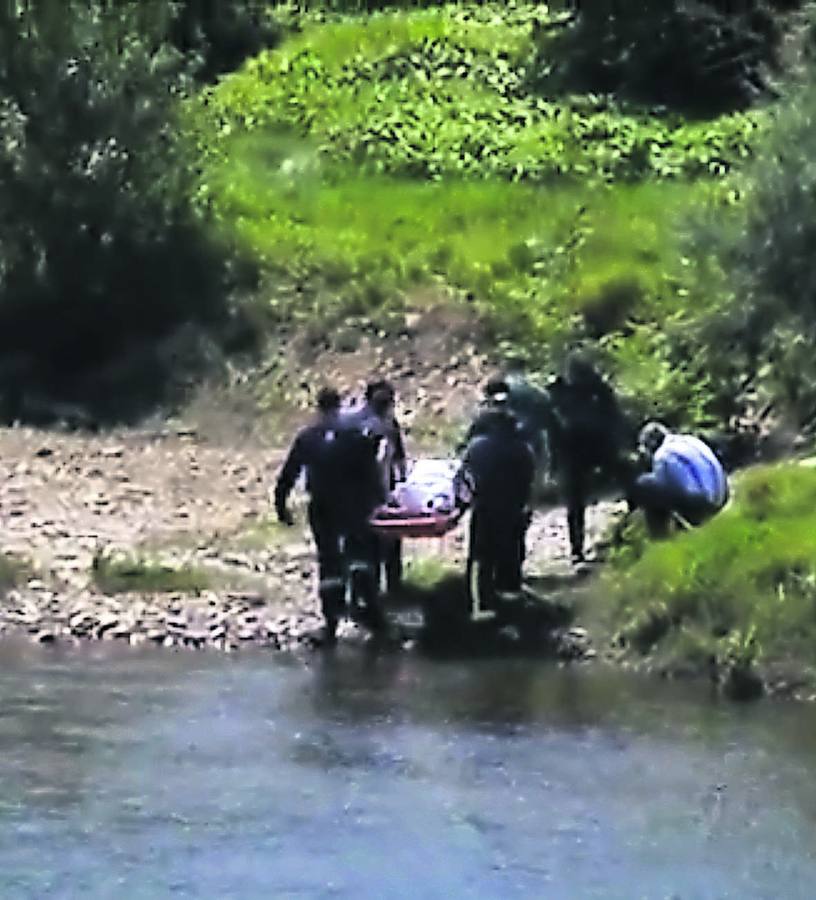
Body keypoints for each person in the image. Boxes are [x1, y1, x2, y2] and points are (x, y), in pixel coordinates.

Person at [274, 387, 384, 643]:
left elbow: (289, 473)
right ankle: (369, 613)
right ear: (339, 406)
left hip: (322, 505)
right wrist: (380, 502)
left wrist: (281, 505)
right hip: (354, 504)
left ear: (318, 408)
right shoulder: (355, 436)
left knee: (328, 562)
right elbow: (370, 472)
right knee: (360, 558)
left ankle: (331, 622)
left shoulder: (307, 437)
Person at [547, 351, 629, 564]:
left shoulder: (596, 388)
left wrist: (617, 444)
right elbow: (550, 424)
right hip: (575, 449)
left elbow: (614, 417)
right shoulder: (559, 390)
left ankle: (629, 529)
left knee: (626, 480)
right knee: (574, 502)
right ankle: (577, 549)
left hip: (595, 445)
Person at [455, 407, 536, 619]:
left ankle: (481, 604)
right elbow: (529, 481)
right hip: (513, 509)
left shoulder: (476, 448)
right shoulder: (523, 449)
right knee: (512, 552)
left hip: (485, 509)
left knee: (481, 557)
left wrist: (461, 505)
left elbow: (463, 480)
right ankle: (511, 596)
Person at [345, 379, 407, 594]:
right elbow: (396, 460)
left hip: (356, 493)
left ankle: (364, 592)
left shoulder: (352, 422)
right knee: (385, 542)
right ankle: (390, 588)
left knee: (362, 546)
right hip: (376, 491)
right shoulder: (385, 425)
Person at [631, 421, 729, 537]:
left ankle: (661, 537)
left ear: (651, 444)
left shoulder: (662, 456)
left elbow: (668, 488)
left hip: (704, 504)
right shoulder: (689, 439)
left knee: (644, 484)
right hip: (723, 495)